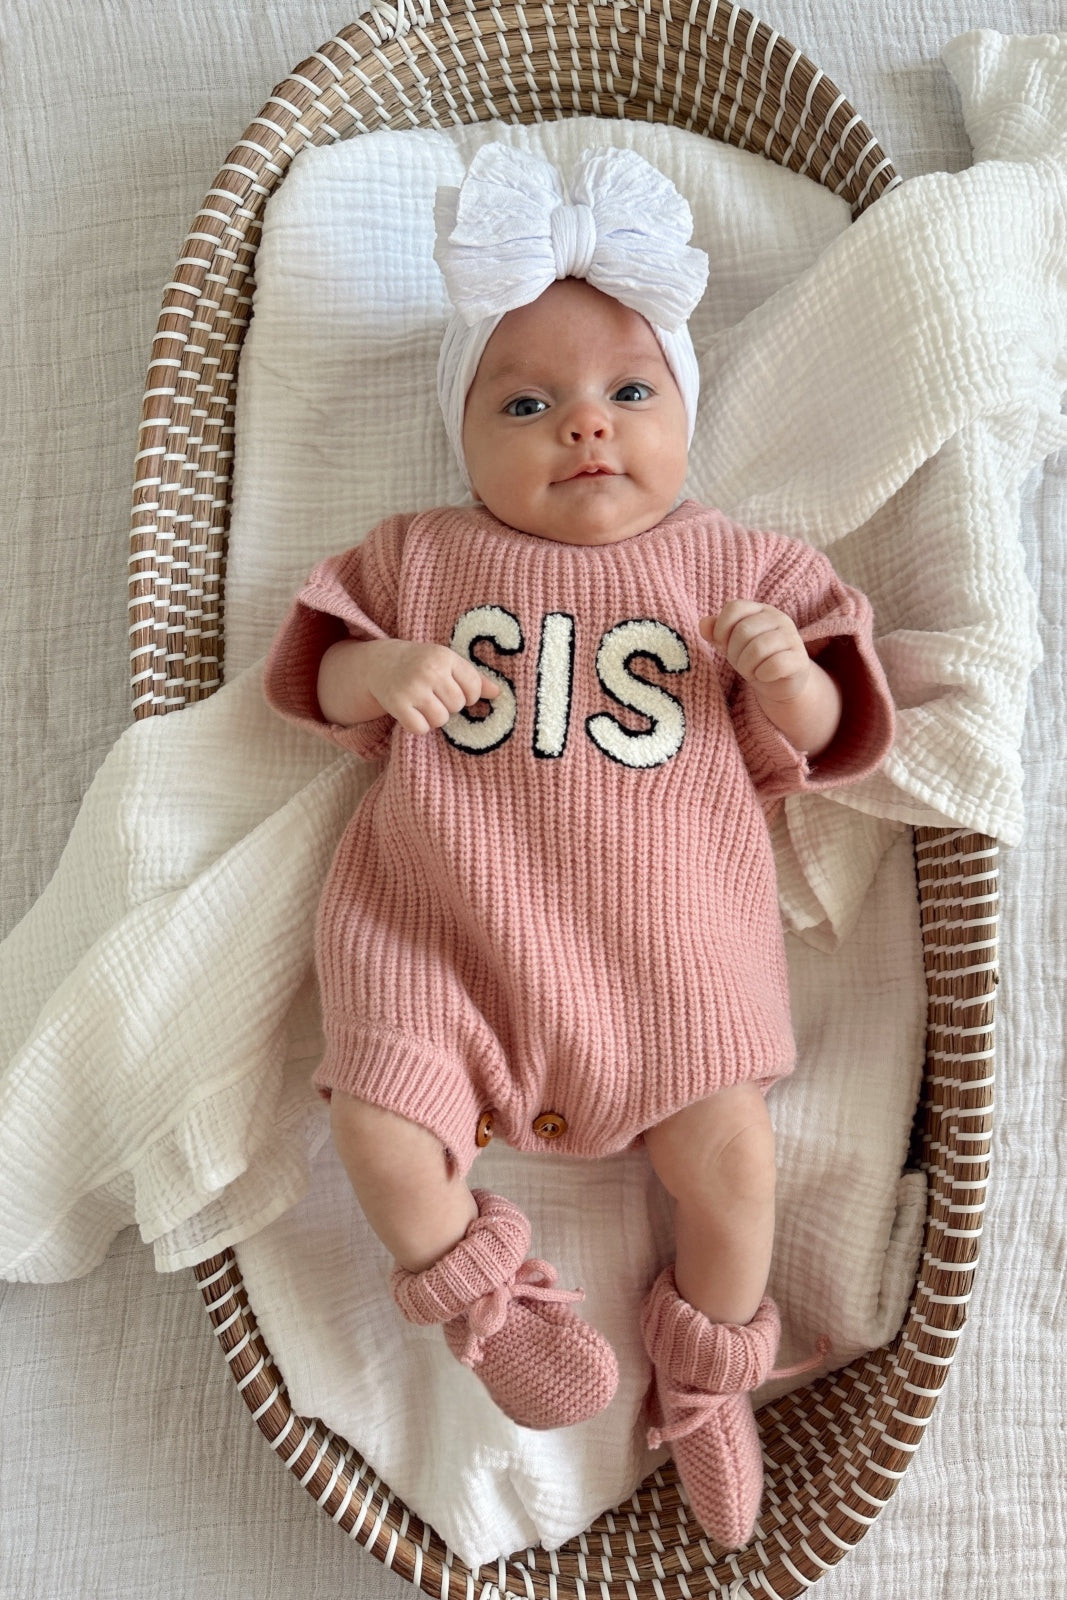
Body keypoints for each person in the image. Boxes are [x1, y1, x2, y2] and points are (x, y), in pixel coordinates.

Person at [264, 143, 895, 1550]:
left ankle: (706, 1369)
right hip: (444, 939)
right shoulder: (421, 554)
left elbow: (841, 725)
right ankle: (483, 1295)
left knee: (733, 1168)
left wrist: (785, 672)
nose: (584, 431)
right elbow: (311, 672)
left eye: (628, 393)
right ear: (465, 433)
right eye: (528, 403)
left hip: (669, 962)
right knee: (374, 1122)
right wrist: (384, 677)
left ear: (684, 411)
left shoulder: (728, 565)